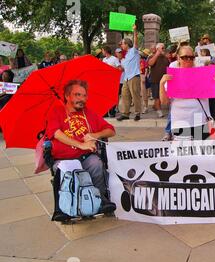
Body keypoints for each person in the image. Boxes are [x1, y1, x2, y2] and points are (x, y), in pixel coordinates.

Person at [45, 80, 117, 222]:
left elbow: (111, 130)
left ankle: (101, 200)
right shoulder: (56, 112)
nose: (82, 99)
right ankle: (61, 209)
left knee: (96, 163)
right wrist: (80, 144)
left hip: (85, 157)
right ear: (67, 96)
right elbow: (56, 133)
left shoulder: (88, 113)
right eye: (77, 95)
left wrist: (95, 135)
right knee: (64, 171)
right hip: (63, 159)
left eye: (84, 95)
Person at [160, 46, 215, 141]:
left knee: (200, 152)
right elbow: (164, 102)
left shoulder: (202, 73)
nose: (188, 60)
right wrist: (161, 84)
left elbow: (211, 95)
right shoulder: (172, 76)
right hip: (180, 122)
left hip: (201, 121)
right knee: (183, 153)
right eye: (185, 57)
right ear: (178, 58)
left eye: (191, 57)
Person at [117, 24, 143, 122]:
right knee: (125, 95)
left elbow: (136, 41)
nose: (121, 45)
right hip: (126, 78)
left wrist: (134, 31)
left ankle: (137, 113)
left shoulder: (133, 51)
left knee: (135, 95)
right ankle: (125, 113)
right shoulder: (127, 55)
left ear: (127, 44)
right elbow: (125, 67)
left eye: (122, 44)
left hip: (134, 77)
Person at [147, 43, 170, 119]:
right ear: (157, 49)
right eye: (162, 48)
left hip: (165, 81)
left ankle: (156, 106)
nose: (164, 49)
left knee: (164, 96)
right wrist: (157, 54)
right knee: (157, 97)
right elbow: (150, 63)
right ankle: (159, 111)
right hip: (155, 80)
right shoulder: (152, 56)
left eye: (164, 48)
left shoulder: (166, 57)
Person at [102, 46, 121, 117]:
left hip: (113, 80)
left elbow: (120, 68)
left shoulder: (114, 59)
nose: (102, 52)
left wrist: (111, 68)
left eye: (103, 50)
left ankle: (112, 111)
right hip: (105, 81)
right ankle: (105, 112)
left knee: (112, 97)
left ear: (106, 51)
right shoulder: (104, 59)